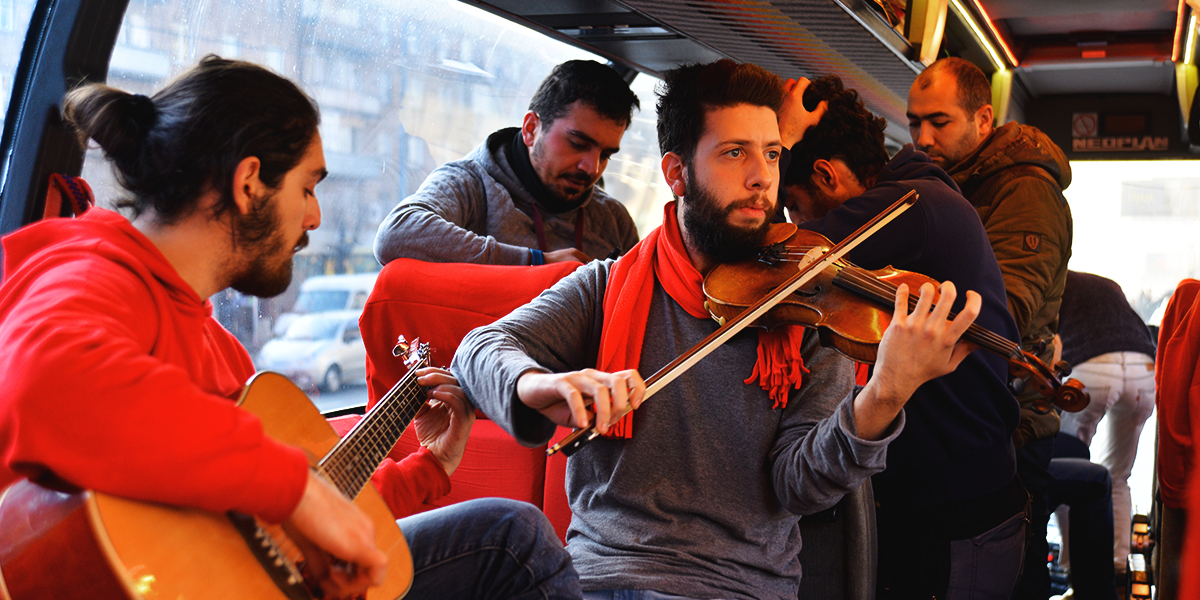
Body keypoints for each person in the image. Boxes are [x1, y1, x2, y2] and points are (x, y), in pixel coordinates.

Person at [0, 56, 577, 600]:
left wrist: (428, 470)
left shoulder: (220, 349)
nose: (316, 217)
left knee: (510, 532)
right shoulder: (90, 269)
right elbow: (46, 380)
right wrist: (297, 493)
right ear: (250, 181)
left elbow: (280, 497)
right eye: (307, 187)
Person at [451, 58, 985, 600]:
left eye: (773, 154)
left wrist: (886, 394)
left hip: (734, 586)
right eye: (735, 154)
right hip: (596, 579)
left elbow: (801, 485)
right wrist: (543, 385)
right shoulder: (609, 287)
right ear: (677, 172)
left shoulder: (810, 300)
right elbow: (480, 348)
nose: (762, 178)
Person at [784, 74, 1025, 600]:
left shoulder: (909, 205)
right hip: (964, 496)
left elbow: (771, 261)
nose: (791, 222)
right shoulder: (920, 195)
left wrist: (780, 141)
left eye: (793, 205)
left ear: (825, 175)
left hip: (957, 513)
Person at [907, 56, 1074, 600]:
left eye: (939, 121)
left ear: (983, 119)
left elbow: (1003, 310)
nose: (922, 136)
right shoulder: (953, 184)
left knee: (1011, 577)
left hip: (1014, 420)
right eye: (914, 122)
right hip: (977, 409)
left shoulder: (1024, 190)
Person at [374, 60, 641, 266]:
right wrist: (535, 262)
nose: (592, 168)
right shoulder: (470, 184)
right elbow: (396, 234)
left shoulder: (614, 220)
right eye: (578, 144)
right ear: (531, 128)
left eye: (606, 154)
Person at [1056, 270, 1157, 578]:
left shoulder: (1051, 280)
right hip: (1144, 370)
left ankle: (1074, 570)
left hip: (1091, 369)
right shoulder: (1105, 284)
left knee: (1066, 470)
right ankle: (1117, 566)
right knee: (1118, 476)